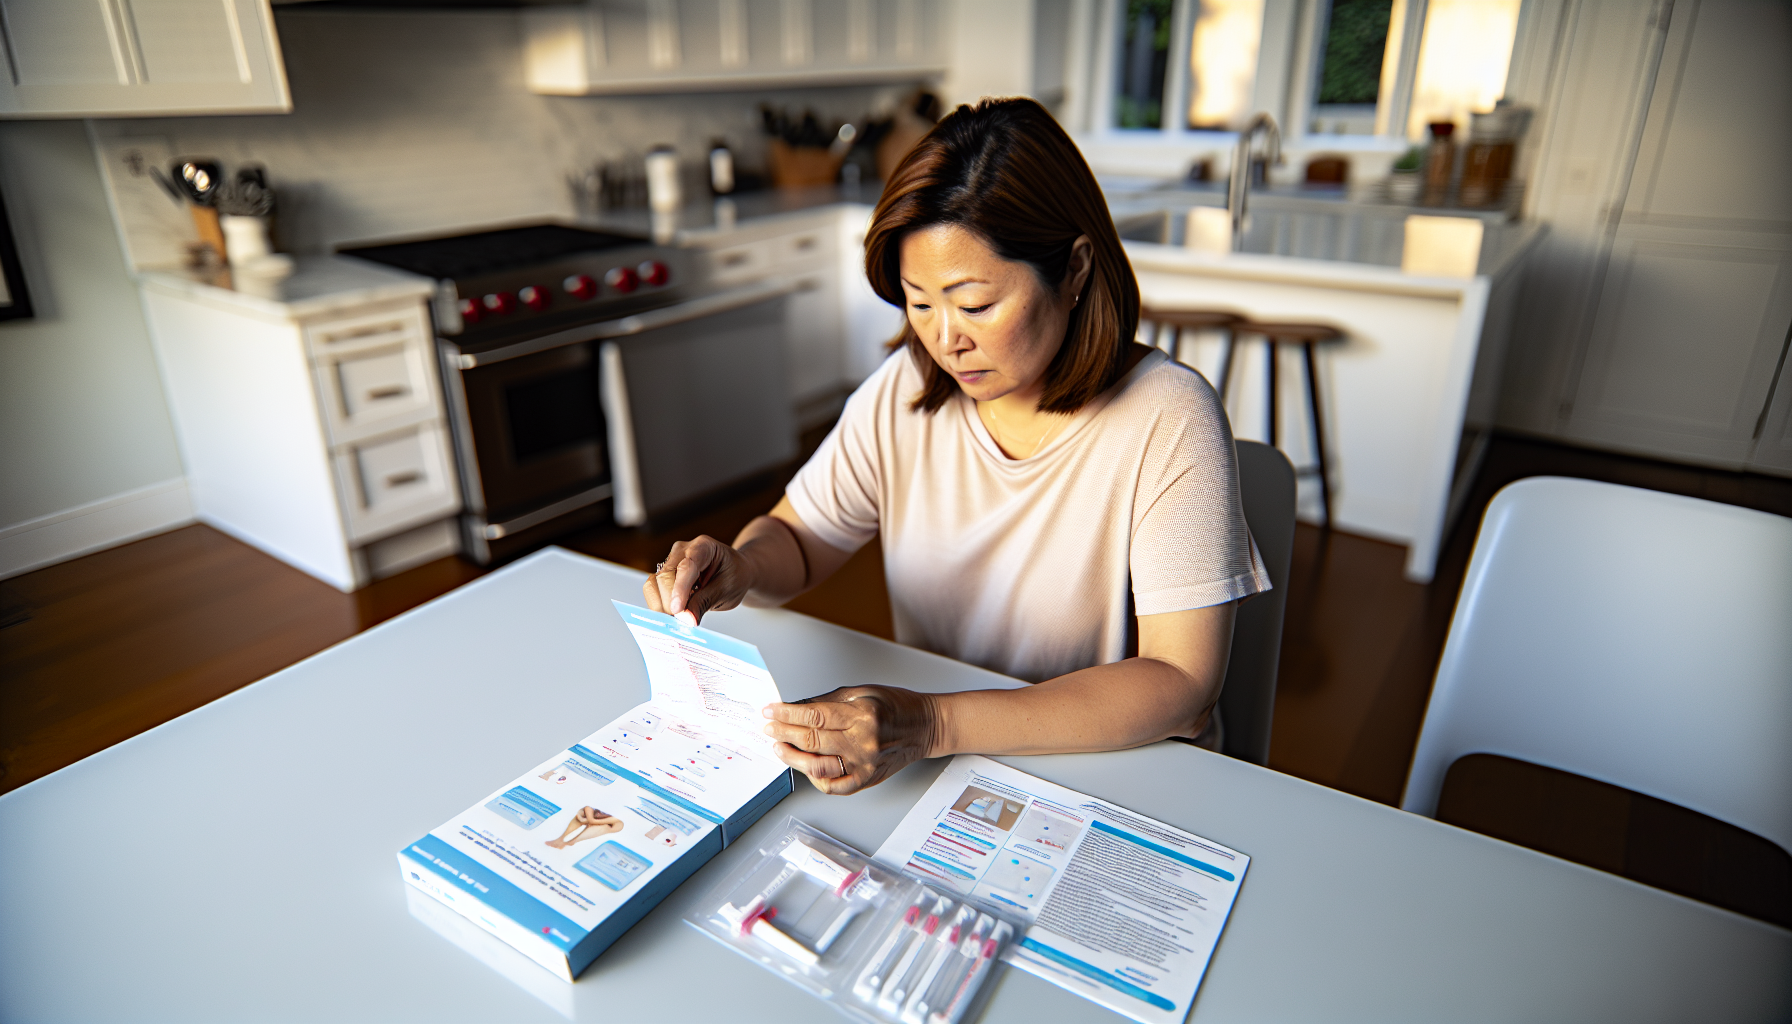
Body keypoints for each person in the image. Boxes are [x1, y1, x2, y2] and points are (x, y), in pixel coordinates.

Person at [644, 98, 1268, 795]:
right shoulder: (906, 388)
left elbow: (1182, 684)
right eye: (919, 302)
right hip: (941, 770)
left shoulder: (1167, 416)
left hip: (1113, 773)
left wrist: (933, 724)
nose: (946, 340)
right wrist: (743, 566)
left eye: (974, 304)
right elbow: (799, 537)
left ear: (1077, 270)